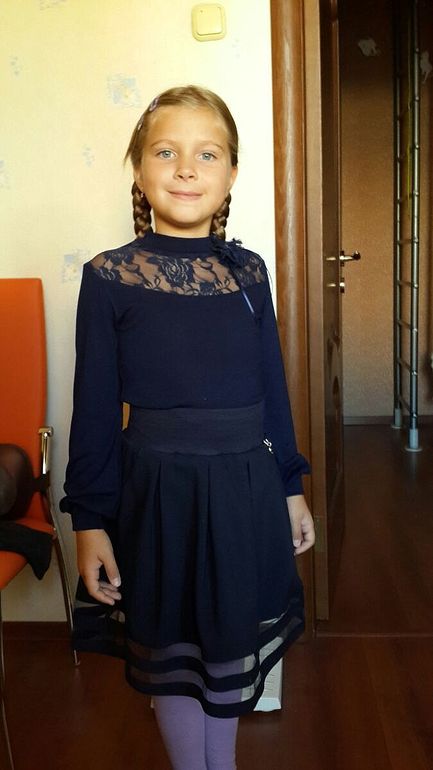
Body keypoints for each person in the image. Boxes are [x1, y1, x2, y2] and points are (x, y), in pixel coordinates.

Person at [60, 85, 315, 770]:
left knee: (228, 642)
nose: (185, 169)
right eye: (165, 152)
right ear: (139, 169)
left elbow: (272, 389)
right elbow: (93, 408)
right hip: (157, 493)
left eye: (207, 154)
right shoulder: (110, 276)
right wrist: (89, 522)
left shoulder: (248, 272)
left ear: (231, 173)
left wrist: (290, 484)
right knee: (171, 649)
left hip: (243, 488)